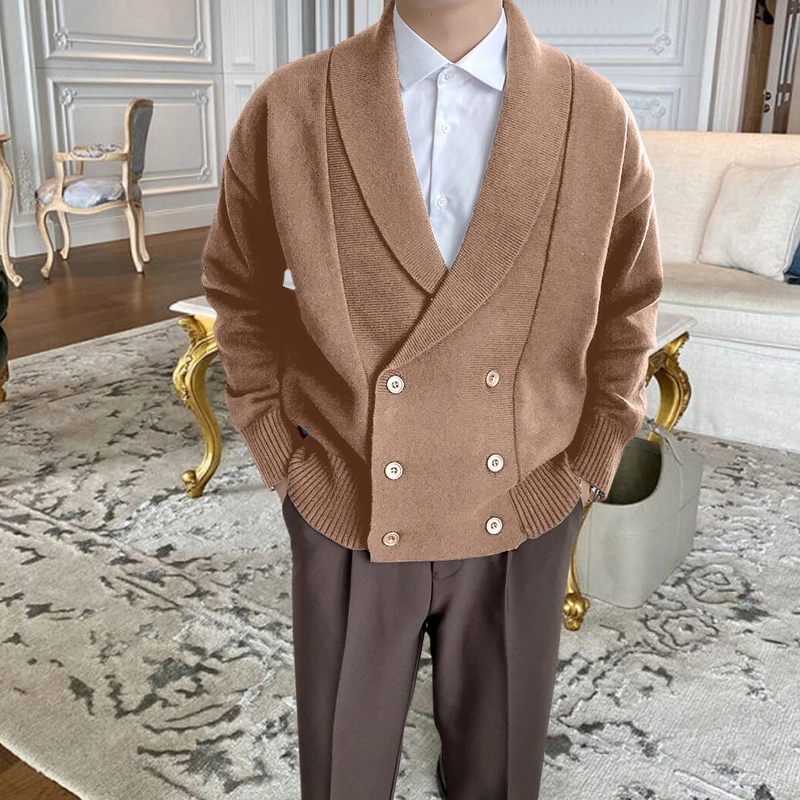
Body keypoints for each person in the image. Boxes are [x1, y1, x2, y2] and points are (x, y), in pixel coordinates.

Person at [200, 0, 663, 797]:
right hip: (345, 499)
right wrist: (282, 455)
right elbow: (240, 291)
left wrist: (587, 463)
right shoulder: (291, 107)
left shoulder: (594, 116)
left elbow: (630, 305)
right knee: (342, 776)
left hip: (525, 504)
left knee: (499, 776)